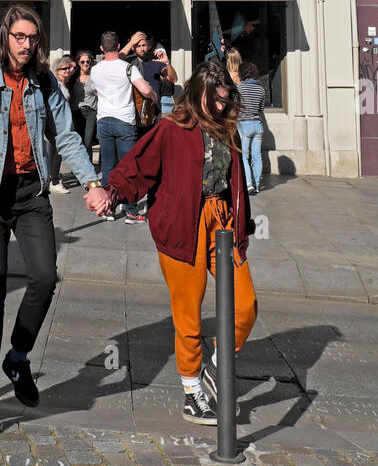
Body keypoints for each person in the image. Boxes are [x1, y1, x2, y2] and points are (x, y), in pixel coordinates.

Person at [0, 5, 107, 417]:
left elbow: (66, 135)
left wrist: (91, 181)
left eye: (32, 38)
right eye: (19, 37)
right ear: (5, 37)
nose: (26, 44)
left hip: (32, 195)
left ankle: (17, 356)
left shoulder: (45, 82)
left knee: (45, 277)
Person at [93, 61, 258, 426]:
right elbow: (137, 167)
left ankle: (215, 368)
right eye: (213, 100)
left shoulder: (227, 130)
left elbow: (236, 183)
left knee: (245, 305)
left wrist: (242, 224)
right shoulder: (170, 128)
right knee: (189, 317)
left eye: (225, 100)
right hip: (184, 225)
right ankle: (192, 392)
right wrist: (112, 192)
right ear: (197, 94)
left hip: (223, 223)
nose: (219, 107)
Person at [92, 31, 155, 225]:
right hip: (124, 121)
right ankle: (131, 211)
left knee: (108, 166)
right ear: (118, 46)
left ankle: (108, 207)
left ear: (101, 48)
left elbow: (95, 90)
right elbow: (145, 89)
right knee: (129, 167)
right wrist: (154, 97)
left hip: (103, 120)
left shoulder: (95, 69)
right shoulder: (128, 67)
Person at [235, 60, 266, 195]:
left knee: (244, 156)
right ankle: (257, 184)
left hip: (244, 125)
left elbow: (235, 107)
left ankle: (248, 184)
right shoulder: (261, 89)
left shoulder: (240, 89)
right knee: (257, 156)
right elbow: (261, 109)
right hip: (258, 124)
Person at [48, 55, 77, 193]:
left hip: (61, 123)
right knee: (56, 151)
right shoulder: (56, 85)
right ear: (57, 70)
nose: (68, 71)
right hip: (56, 123)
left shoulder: (65, 84)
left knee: (56, 151)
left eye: (69, 68)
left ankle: (52, 178)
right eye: (64, 68)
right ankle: (53, 180)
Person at [72, 50, 98, 166]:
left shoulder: (94, 77)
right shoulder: (73, 78)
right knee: (78, 143)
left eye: (88, 62)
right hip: (77, 112)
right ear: (78, 63)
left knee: (88, 142)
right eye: (82, 62)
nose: (85, 64)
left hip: (91, 112)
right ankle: (78, 169)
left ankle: (89, 170)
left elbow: (101, 93)